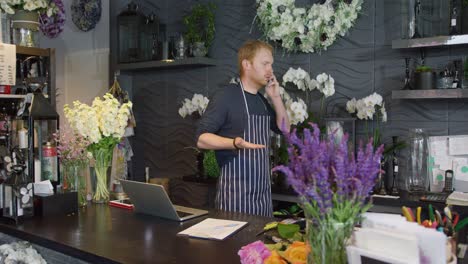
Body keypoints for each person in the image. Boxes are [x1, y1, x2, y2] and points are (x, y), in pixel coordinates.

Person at [196, 40, 290, 217]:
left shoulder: (261, 101)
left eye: (271, 64)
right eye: (265, 64)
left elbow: (285, 130)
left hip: (262, 198)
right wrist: (235, 143)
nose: (270, 70)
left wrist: (276, 98)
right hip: (235, 198)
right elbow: (201, 139)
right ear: (246, 64)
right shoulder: (226, 96)